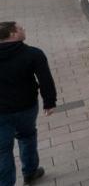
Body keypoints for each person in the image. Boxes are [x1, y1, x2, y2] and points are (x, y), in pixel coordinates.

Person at [0, 21, 56, 186]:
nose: (23, 29)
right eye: (20, 28)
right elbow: (45, 80)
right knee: (27, 136)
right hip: (26, 107)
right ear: (12, 34)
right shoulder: (33, 53)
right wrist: (49, 102)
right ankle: (30, 172)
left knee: (3, 149)